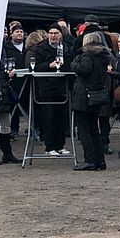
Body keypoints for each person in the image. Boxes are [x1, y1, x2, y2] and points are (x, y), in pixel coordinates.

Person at [72, 32, 114, 171]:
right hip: (97, 95)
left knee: (84, 130)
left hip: (84, 96)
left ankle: (89, 159)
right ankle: (100, 160)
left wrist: (74, 64)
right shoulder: (104, 56)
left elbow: (84, 70)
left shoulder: (86, 56)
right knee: (94, 129)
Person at [33, 23, 72, 156]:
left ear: (61, 34)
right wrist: (48, 65)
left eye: (56, 33)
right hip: (46, 88)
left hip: (62, 88)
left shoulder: (66, 48)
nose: (53, 35)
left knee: (61, 118)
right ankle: (50, 147)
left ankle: (60, 145)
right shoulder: (40, 48)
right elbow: (35, 67)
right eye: (51, 33)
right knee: (49, 118)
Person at [0, 50, 21, 165]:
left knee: (6, 121)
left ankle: (7, 153)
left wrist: (8, 75)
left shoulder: (1, 50)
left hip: (2, 89)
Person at [4, 21, 27, 139]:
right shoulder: (6, 47)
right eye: (17, 32)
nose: (19, 34)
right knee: (13, 105)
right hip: (12, 81)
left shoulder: (27, 47)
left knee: (26, 104)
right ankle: (13, 129)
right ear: (12, 34)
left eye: (21, 32)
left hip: (26, 80)